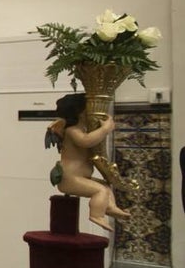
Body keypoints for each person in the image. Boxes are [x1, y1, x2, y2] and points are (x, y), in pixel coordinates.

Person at [46, 93, 131, 231]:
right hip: (70, 178)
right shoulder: (72, 130)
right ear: (81, 113)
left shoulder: (81, 129)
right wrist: (105, 129)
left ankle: (110, 207)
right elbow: (86, 141)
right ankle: (96, 215)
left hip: (78, 176)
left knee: (105, 186)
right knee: (100, 191)